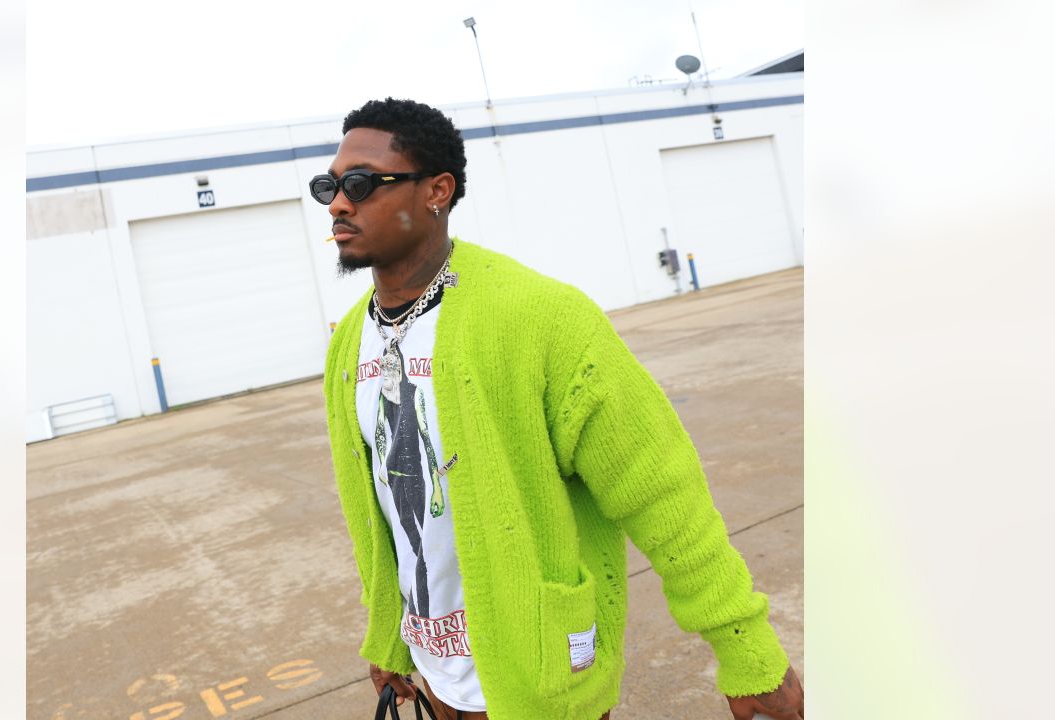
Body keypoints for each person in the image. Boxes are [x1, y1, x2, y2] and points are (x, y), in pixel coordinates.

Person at [317, 97, 804, 720]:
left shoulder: (541, 318)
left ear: (437, 190)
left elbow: (659, 489)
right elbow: (382, 509)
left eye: (360, 183)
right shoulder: (349, 343)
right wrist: (391, 635)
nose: (337, 203)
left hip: (544, 677)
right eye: (328, 185)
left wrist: (744, 646)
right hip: (435, 677)